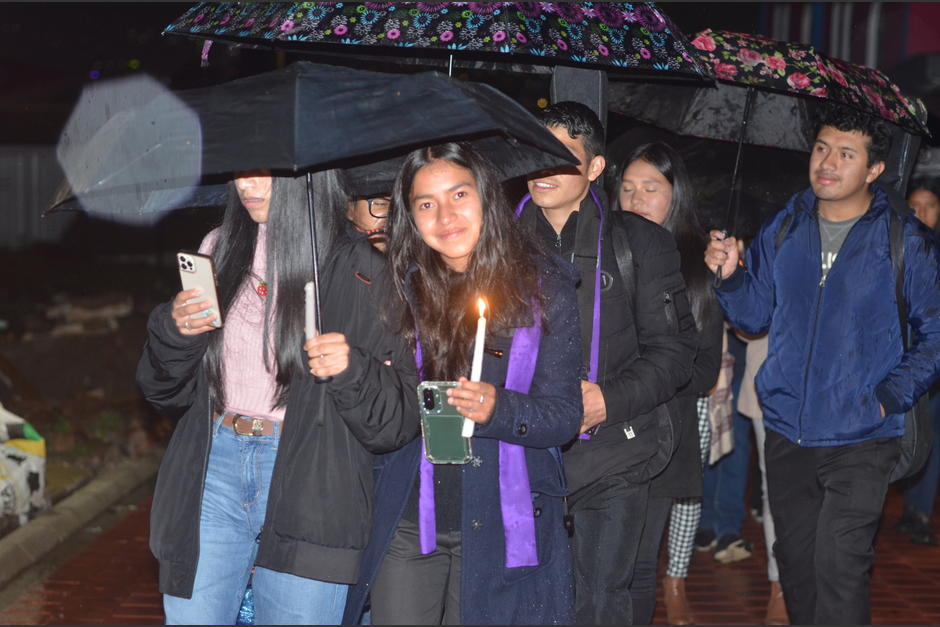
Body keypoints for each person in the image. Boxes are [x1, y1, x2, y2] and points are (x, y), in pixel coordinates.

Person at [137, 170, 419, 625]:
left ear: (306, 175)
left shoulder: (360, 269)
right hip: (216, 465)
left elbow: (396, 420)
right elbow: (162, 390)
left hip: (312, 477)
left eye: (263, 173)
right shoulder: (218, 247)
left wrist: (351, 369)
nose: (247, 186)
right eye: (240, 172)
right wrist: (175, 331)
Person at [704, 105, 940, 625]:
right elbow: (754, 316)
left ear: (874, 170)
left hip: (862, 433)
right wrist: (729, 277)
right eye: (821, 148)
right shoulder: (785, 226)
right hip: (789, 426)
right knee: (796, 564)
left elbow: (936, 334)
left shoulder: (905, 240)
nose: (827, 163)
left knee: (840, 563)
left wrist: (888, 395)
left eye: (846, 154)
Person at [343, 142, 583, 625]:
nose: (445, 215)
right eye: (425, 204)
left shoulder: (542, 288)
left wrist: (501, 408)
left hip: (500, 525)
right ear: (409, 217)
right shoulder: (396, 289)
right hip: (409, 521)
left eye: (459, 195)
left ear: (487, 198)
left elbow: (564, 416)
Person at [517, 101, 697, 624]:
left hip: (615, 451)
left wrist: (607, 399)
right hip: (523, 451)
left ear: (594, 168)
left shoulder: (637, 242)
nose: (544, 169)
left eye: (562, 157)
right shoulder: (497, 242)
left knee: (601, 600)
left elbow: (676, 353)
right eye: (536, 154)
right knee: (531, 600)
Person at [610, 142, 723, 625]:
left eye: (651, 189)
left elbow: (703, 372)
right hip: (603, 429)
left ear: (675, 195)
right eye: (627, 188)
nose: (636, 200)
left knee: (635, 567)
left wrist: (647, 368)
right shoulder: (601, 250)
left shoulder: (698, 265)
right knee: (595, 562)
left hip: (662, 433)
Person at [893, 180, 940, 545]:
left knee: (930, 435)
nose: (922, 213)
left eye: (930, 205)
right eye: (914, 205)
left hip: (933, 362)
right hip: (899, 360)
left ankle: (919, 510)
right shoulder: (897, 247)